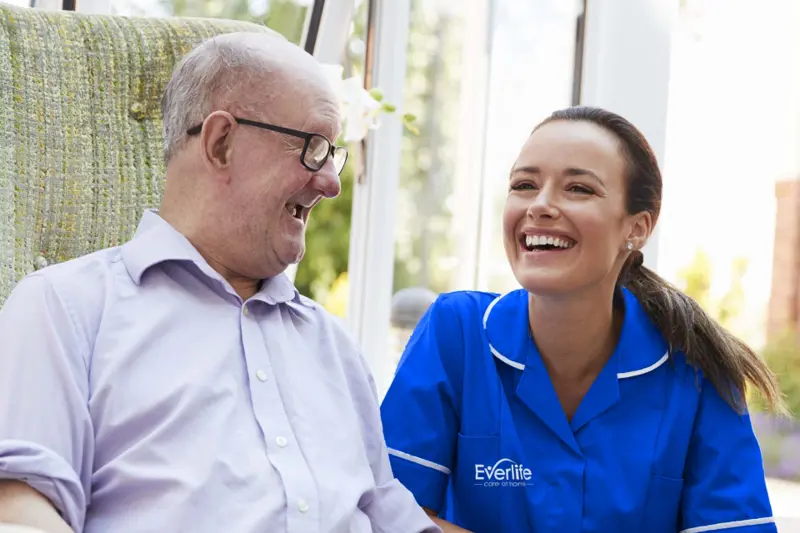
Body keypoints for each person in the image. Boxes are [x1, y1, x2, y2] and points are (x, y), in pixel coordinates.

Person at [0, 32, 438, 533]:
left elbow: (393, 516)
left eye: (331, 155)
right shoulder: (64, 308)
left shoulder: (333, 345)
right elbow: (19, 510)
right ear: (221, 143)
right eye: (313, 148)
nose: (332, 183)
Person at [380, 106, 785, 533]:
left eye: (578, 188)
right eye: (524, 185)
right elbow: (388, 514)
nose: (540, 205)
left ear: (637, 228)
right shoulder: (457, 334)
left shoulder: (698, 371)